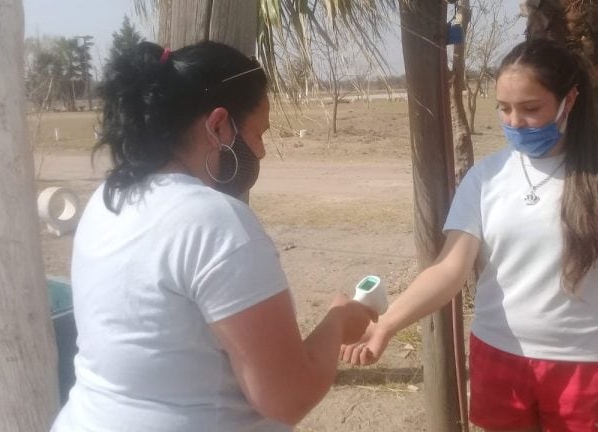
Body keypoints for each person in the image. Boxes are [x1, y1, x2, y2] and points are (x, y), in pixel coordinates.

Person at [342, 38, 598, 432]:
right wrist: (387, 324)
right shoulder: (485, 178)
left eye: (531, 109)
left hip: (586, 365)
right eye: (504, 109)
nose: (514, 122)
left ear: (570, 100)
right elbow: (449, 269)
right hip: (498, 358)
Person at [50, 41, 375, 432]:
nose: (261, 150)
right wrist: (339, 321)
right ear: (219, 125)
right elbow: (288, 397)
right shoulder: (215, 223)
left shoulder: (110, 198)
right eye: (258, 132)